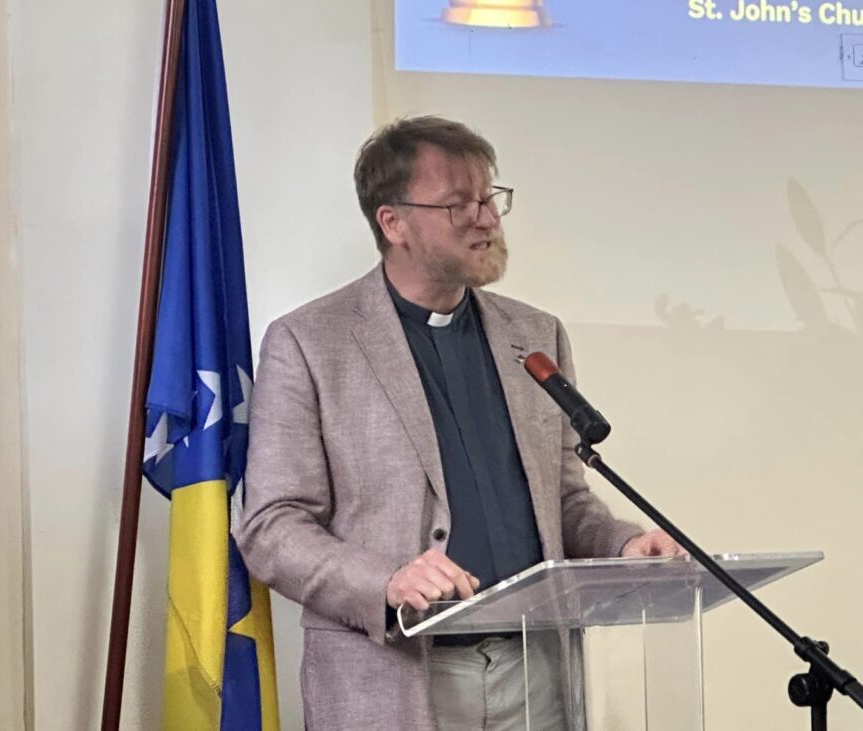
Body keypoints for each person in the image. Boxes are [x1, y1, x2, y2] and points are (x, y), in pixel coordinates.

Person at [236, 115, 681, 730]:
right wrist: (387, 581)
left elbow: (561, 501)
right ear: (393, 223)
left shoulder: (535, 334)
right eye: (458, 204)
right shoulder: (309, 342)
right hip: (395, 676)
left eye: (489, 198)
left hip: (537, 672)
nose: (487, 219)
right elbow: (272, 526)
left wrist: (622, 545)